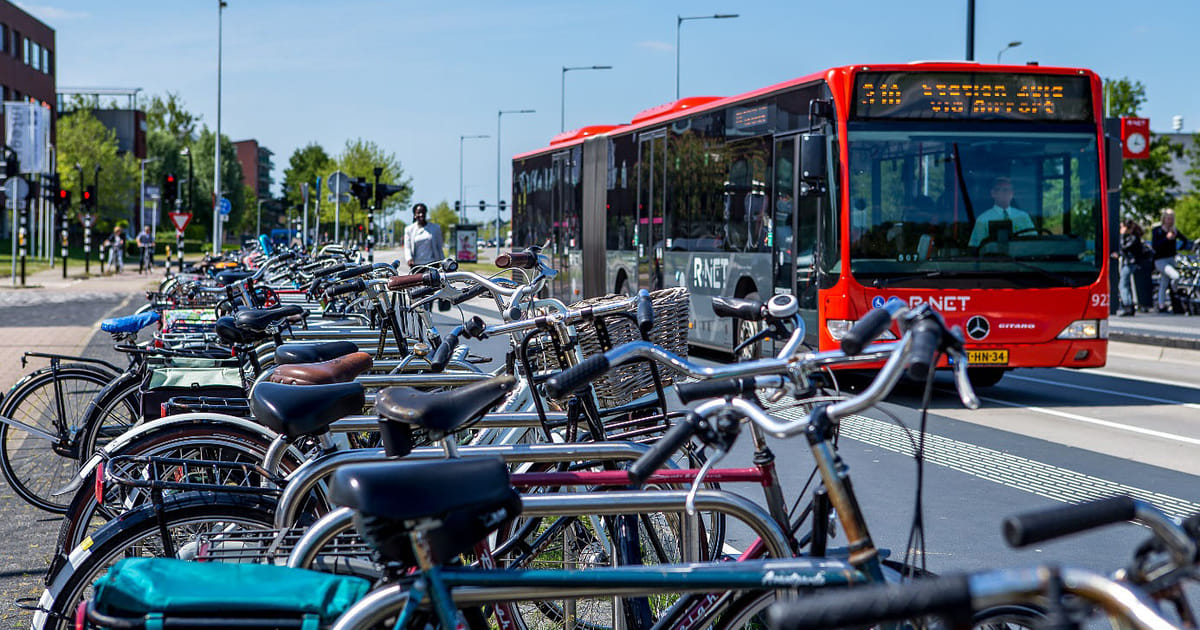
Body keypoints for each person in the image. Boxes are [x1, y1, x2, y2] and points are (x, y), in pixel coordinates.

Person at [968, 177, 1035, 248]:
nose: (1005, 193)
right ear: (993, 193)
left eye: (1008, 190)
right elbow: (976, 248)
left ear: (1012, 194)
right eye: (1002, 190)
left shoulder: (1023, 217)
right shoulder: (982, 220)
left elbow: (1033, 242)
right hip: (991, 258)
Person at [1151, 208, 1191, 313]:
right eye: (1168, 218)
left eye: (1171, 218)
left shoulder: (1174, 230)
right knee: (1175, 276)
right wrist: (1166, 239)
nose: (1169, 221)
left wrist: (1179, 248)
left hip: (1171, 258)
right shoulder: (1158, 230)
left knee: (1164, 283)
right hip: (1160, 260)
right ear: (1164, 219)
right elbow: (1155, 246)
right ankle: (1174, 289)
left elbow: (1185, 240)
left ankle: (1161, 304)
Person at [1113, 220, 1147, 316]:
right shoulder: (1133, 238)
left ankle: (1127, 305)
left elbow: (1124, 247)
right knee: (1126, 284)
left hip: (1130, 263)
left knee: (1123, 285)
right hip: (1128, 263)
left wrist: (1122, 235)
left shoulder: (1133, 238)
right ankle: (1129, 305)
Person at [404, 203, 444, 269]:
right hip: (416, 265)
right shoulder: (409, 229)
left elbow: (439, 248)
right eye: (418, 213)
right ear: (414, 215)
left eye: (423, 212)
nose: (421, 215)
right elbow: (407, 247)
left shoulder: (435, 228)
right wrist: (409, 259)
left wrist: (443, 262)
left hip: (432, 264)